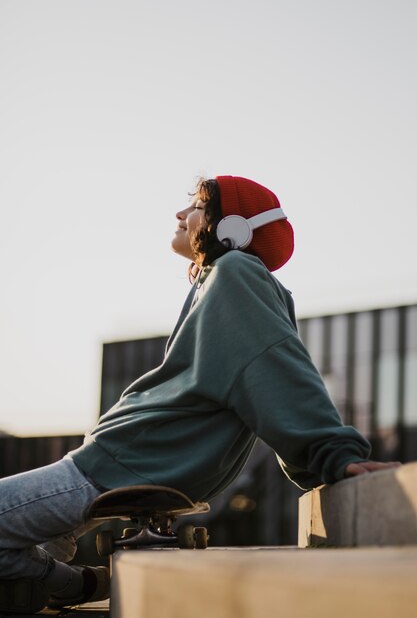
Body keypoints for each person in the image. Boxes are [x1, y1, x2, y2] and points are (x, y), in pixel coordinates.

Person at [0, 175, 400, 614]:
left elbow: (273, 368)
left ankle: (69, 584)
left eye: (196, 205)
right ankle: (69, 582)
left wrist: (331, 452)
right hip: (112, 461)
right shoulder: (221, 282)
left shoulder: (236, 273)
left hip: (119, 464)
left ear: (233, 228)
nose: (180, 214)